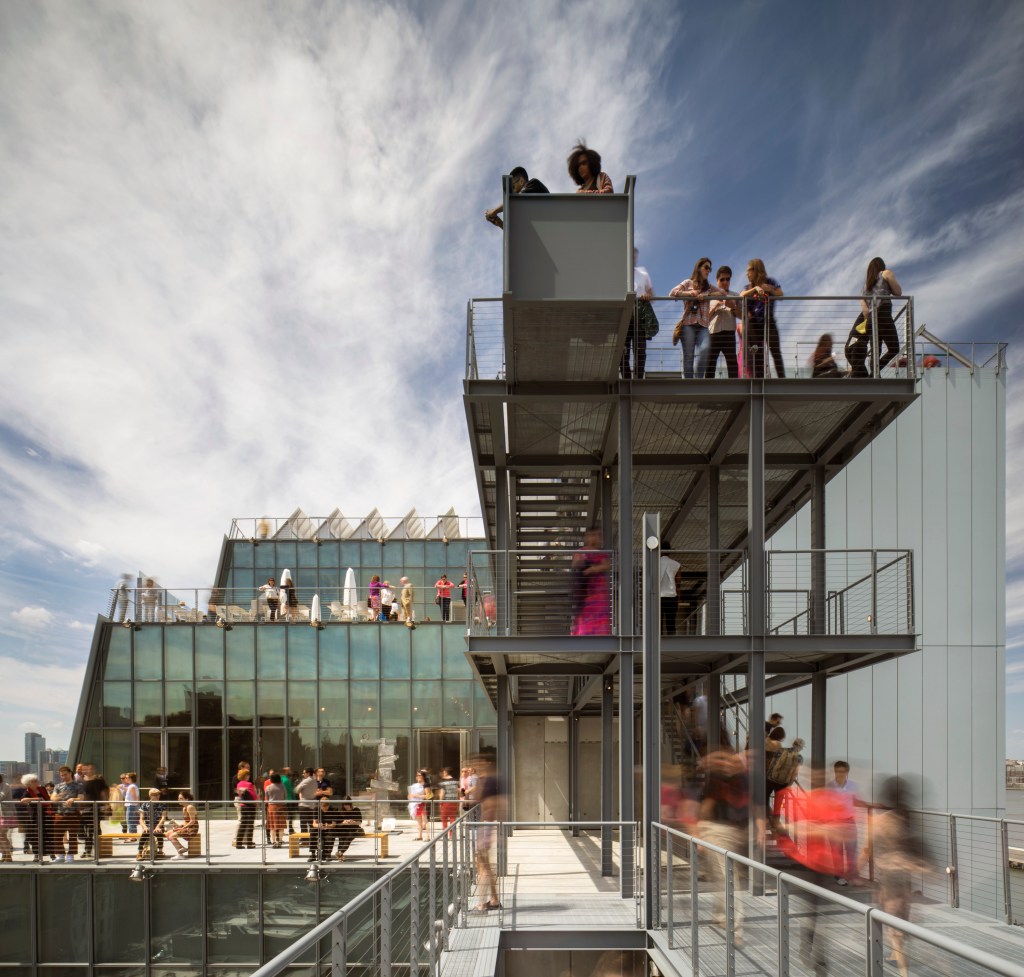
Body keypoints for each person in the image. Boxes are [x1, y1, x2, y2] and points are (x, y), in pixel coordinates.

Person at [858, 777, 926, 977]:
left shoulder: (878, 822)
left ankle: (903, 973)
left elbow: (865, 850)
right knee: (899, 924)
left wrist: (853, 873)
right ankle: (896, 955)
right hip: (904, 879)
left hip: (887, 881)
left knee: (893, 929)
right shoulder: (906, 819)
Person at [696, 750, 760, 939]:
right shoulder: (718, 779)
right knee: (729, 878)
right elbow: (707, 807)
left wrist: (755, 827)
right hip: (716, 831)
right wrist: (701, 835)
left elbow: (753, 806)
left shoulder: (746, 781)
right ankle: (736, 926)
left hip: (733, 833)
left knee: (723, 876)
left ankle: (719, 915)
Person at [846, 256, 903, 377]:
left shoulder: (864, 288)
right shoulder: (886, 273)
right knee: (894, 348)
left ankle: (874, 371)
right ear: (881, 266)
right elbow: (898, 292)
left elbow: (865, 312)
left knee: (876, 350)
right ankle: (874, 372)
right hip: (884, 315)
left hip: (871, 320)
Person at [670, 257, 722, 379]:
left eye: (710, 268)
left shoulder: (708, 287)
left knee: (705, 349)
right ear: (699, 268)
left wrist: (707, 295)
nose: (709, 271)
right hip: (688, 324)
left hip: (703, 325)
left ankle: (698, 379)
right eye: (706, 267)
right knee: (689, 356)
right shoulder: (688, 283)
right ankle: (689, 385)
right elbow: (672, 292)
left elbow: (722, 293)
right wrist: (689, 294)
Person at [738, 258, 785, 378]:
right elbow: (741, 296)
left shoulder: (770, 281)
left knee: (775, 351)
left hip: (769, 321)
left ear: (756, 269)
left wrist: (770, 289)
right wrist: (754, 289)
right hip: (754, 323)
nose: (747, 273)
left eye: (749, 270)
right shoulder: (748, 287)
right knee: (756, 353)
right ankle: (758, 381)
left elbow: (780, 294)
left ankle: (782, 379)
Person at [470, 754, 505, 913]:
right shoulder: (483, 780)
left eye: (478, 762)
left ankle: (481, 904)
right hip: (484, 825)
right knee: (484, 865)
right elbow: (475, 799)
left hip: (487, 826)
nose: (475, 765)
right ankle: (495, 899)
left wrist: (495, 831)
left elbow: (499, 804)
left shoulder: (492, 781)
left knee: (483, 866)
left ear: (487, 763)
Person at [570, 528, 611, 636]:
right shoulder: (581, 551)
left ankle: (600, 636)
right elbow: (575, 564)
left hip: (598, 590)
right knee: (585, 613)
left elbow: (606, 565)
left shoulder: (601, 553)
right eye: (592, 535)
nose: (595, 537)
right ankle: (582, 635)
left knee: (599, 613)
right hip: (586, 590)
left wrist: (592, 569)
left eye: (597, 535)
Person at [622, 248, 655, 379]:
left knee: (640, 349)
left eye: (634, 256)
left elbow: (651, 293)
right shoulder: (619, 273)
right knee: (623, 349)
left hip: (639, 314)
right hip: (624, 312)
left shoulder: (643, 272)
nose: (633, 258)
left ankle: (639, 377)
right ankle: (626, 378)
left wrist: (647, 295)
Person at [826, 760, 860, 884]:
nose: (839, 774)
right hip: (834, 823)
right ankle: (839, 876)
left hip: (849, 822)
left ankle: (851, 876)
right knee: (837, 852)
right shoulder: (829, 786)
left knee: (852, 851)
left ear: (847, 772)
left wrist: (872, 805)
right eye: (837, 771)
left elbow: (856, 801)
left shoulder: (852, 785)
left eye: (842, 771)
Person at [484, 165, 550, 228]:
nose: (513, 192)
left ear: (521, 181)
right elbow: (520, 232)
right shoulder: (526, 208)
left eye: (513, 187)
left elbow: (515, 200)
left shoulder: (533, 183)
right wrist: (499, 223)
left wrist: (494, 211)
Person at [705, 266, 740, 378]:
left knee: (732, 364)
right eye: (722, 279)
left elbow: (743, 316)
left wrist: (733, 307)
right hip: (713, 333)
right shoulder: (709, 296)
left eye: (728, 279)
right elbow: (704, 319)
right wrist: (714, 307)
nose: (725, 282)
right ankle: (707, 390)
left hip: (729, 333)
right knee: (710, 363)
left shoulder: (735, 295)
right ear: (717, 280)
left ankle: (734, 390)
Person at [49, 765, 83, 862]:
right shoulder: (58, 786)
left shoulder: (78, 786)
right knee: (57, 835)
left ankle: (71, 855)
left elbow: (81, 798)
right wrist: (60, 796)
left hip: (73, 814)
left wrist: (73, 799)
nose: (64, 777)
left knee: (73, 836)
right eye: (62, 775)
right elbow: (52, 798)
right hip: (60, 814)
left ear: (70, 773)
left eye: (65, 774)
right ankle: (60, 855)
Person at [79, 763, 108, 857]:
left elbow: (103, 792)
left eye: (89, 768)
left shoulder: (99, 781)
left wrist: (106, 804)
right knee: (86, 829)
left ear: (93, 769)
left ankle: (96, 850)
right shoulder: (80, 781)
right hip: (85, 808)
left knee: (94, 829)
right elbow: (80, 795)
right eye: (85, 769)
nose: (87, 770)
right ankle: (88, 850)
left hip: (96, 807)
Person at [17, 773, 49, 860]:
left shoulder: (42, 789)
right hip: (34, 816)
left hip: (46, 814)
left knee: (46, 835)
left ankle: (47, 854)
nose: (36, 782)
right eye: (33, 781)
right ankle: (36, 855)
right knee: (35, 836)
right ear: (28, 783)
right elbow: (23, 800)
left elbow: (48, 799)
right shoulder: (27, 792)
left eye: (36, 780)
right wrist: (36, 799)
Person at [166, 790, 199, 859]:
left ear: (186, 799)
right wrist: (179, 826)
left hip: (192, 829)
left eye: (181, 798)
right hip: (187, 827)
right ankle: (182, 848)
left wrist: (183, 828)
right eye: (178, 798)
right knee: (168, 833)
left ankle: (180, 854)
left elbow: (192, 821)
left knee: (172, 836)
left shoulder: (190, 807)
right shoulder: (184, 808)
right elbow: (186, 821)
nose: (178, 800)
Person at [136, 788, 168, 860]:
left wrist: (158, 827)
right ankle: (139, 853)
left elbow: (163, 818)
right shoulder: (144, 805)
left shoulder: (163, 804)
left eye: (158, 794)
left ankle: (160, 851)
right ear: (150, 796)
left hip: (158, 825)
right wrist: (144, 827)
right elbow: (141, 819)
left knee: (159, 832)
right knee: (145, 833)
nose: (158, 796)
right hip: (148, 825)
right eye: (156, 795)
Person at [659, 545, 682, 636]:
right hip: (672, 596)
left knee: (658, 622)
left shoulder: (654, 563)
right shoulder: (676, 564)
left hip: (658, 596)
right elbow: (678, 583)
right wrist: (678, 599)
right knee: (671, 622)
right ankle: (672, 641)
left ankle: (658, 641)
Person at [233, 771, 257, 849]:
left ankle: (238, 843)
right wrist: (256, 802)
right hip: (250, 806)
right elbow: (253, 795)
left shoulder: (238, 784)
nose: (249, 776)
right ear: (245, 776)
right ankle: (249, 843)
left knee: (243, 824)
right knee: (250, 825)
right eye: (248, 775)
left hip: (243, 805)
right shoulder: (249, 784)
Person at [295, 767, 319, 839]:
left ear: (308, 773)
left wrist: (300, 791)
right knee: (311, 823)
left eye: (304, 773)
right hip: (312, 804)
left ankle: (305, 839)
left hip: (304, 804)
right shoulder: (315, 781)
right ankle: (313, 838)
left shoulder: (306, 781)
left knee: (303, 823)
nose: (303, 774)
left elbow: (297, 789)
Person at [264, 772, 287, 848]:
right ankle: (280, 841)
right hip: (281, 806)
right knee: (281, 826)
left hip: (271, 807)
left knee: (272, 826)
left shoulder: (268, 787)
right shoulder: (283, 786)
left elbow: (267, 799)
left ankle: (273, 842)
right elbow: (285, 796)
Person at [408, 769, 429, 841]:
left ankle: (428, 836)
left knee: (424, 820)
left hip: (421, 804)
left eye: (419, 775)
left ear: (423, 776)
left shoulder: (425, 785)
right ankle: (420, 836)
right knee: (419, 821)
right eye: (417, 775)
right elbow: (411, 795)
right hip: (415, 804)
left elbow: (428, 795)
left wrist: (416, 795)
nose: (417, 776)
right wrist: (411, 796)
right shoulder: (415, 785)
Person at [0, 774, 14, 862]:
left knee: (2, 835)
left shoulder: (5, 785)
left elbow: (1, 796)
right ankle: (4, 855)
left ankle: (8, 855)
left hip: (5, 814)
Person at [280, 766, 297, 834]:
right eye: (289, 770)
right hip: (288, 800)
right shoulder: (286, 779)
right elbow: (291, 790)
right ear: (285, 771)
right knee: (290, 815)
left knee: (288, 816)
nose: (291, 771)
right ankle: (289, 829)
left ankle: (287, 829)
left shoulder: (282, 779)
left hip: (285, 799)